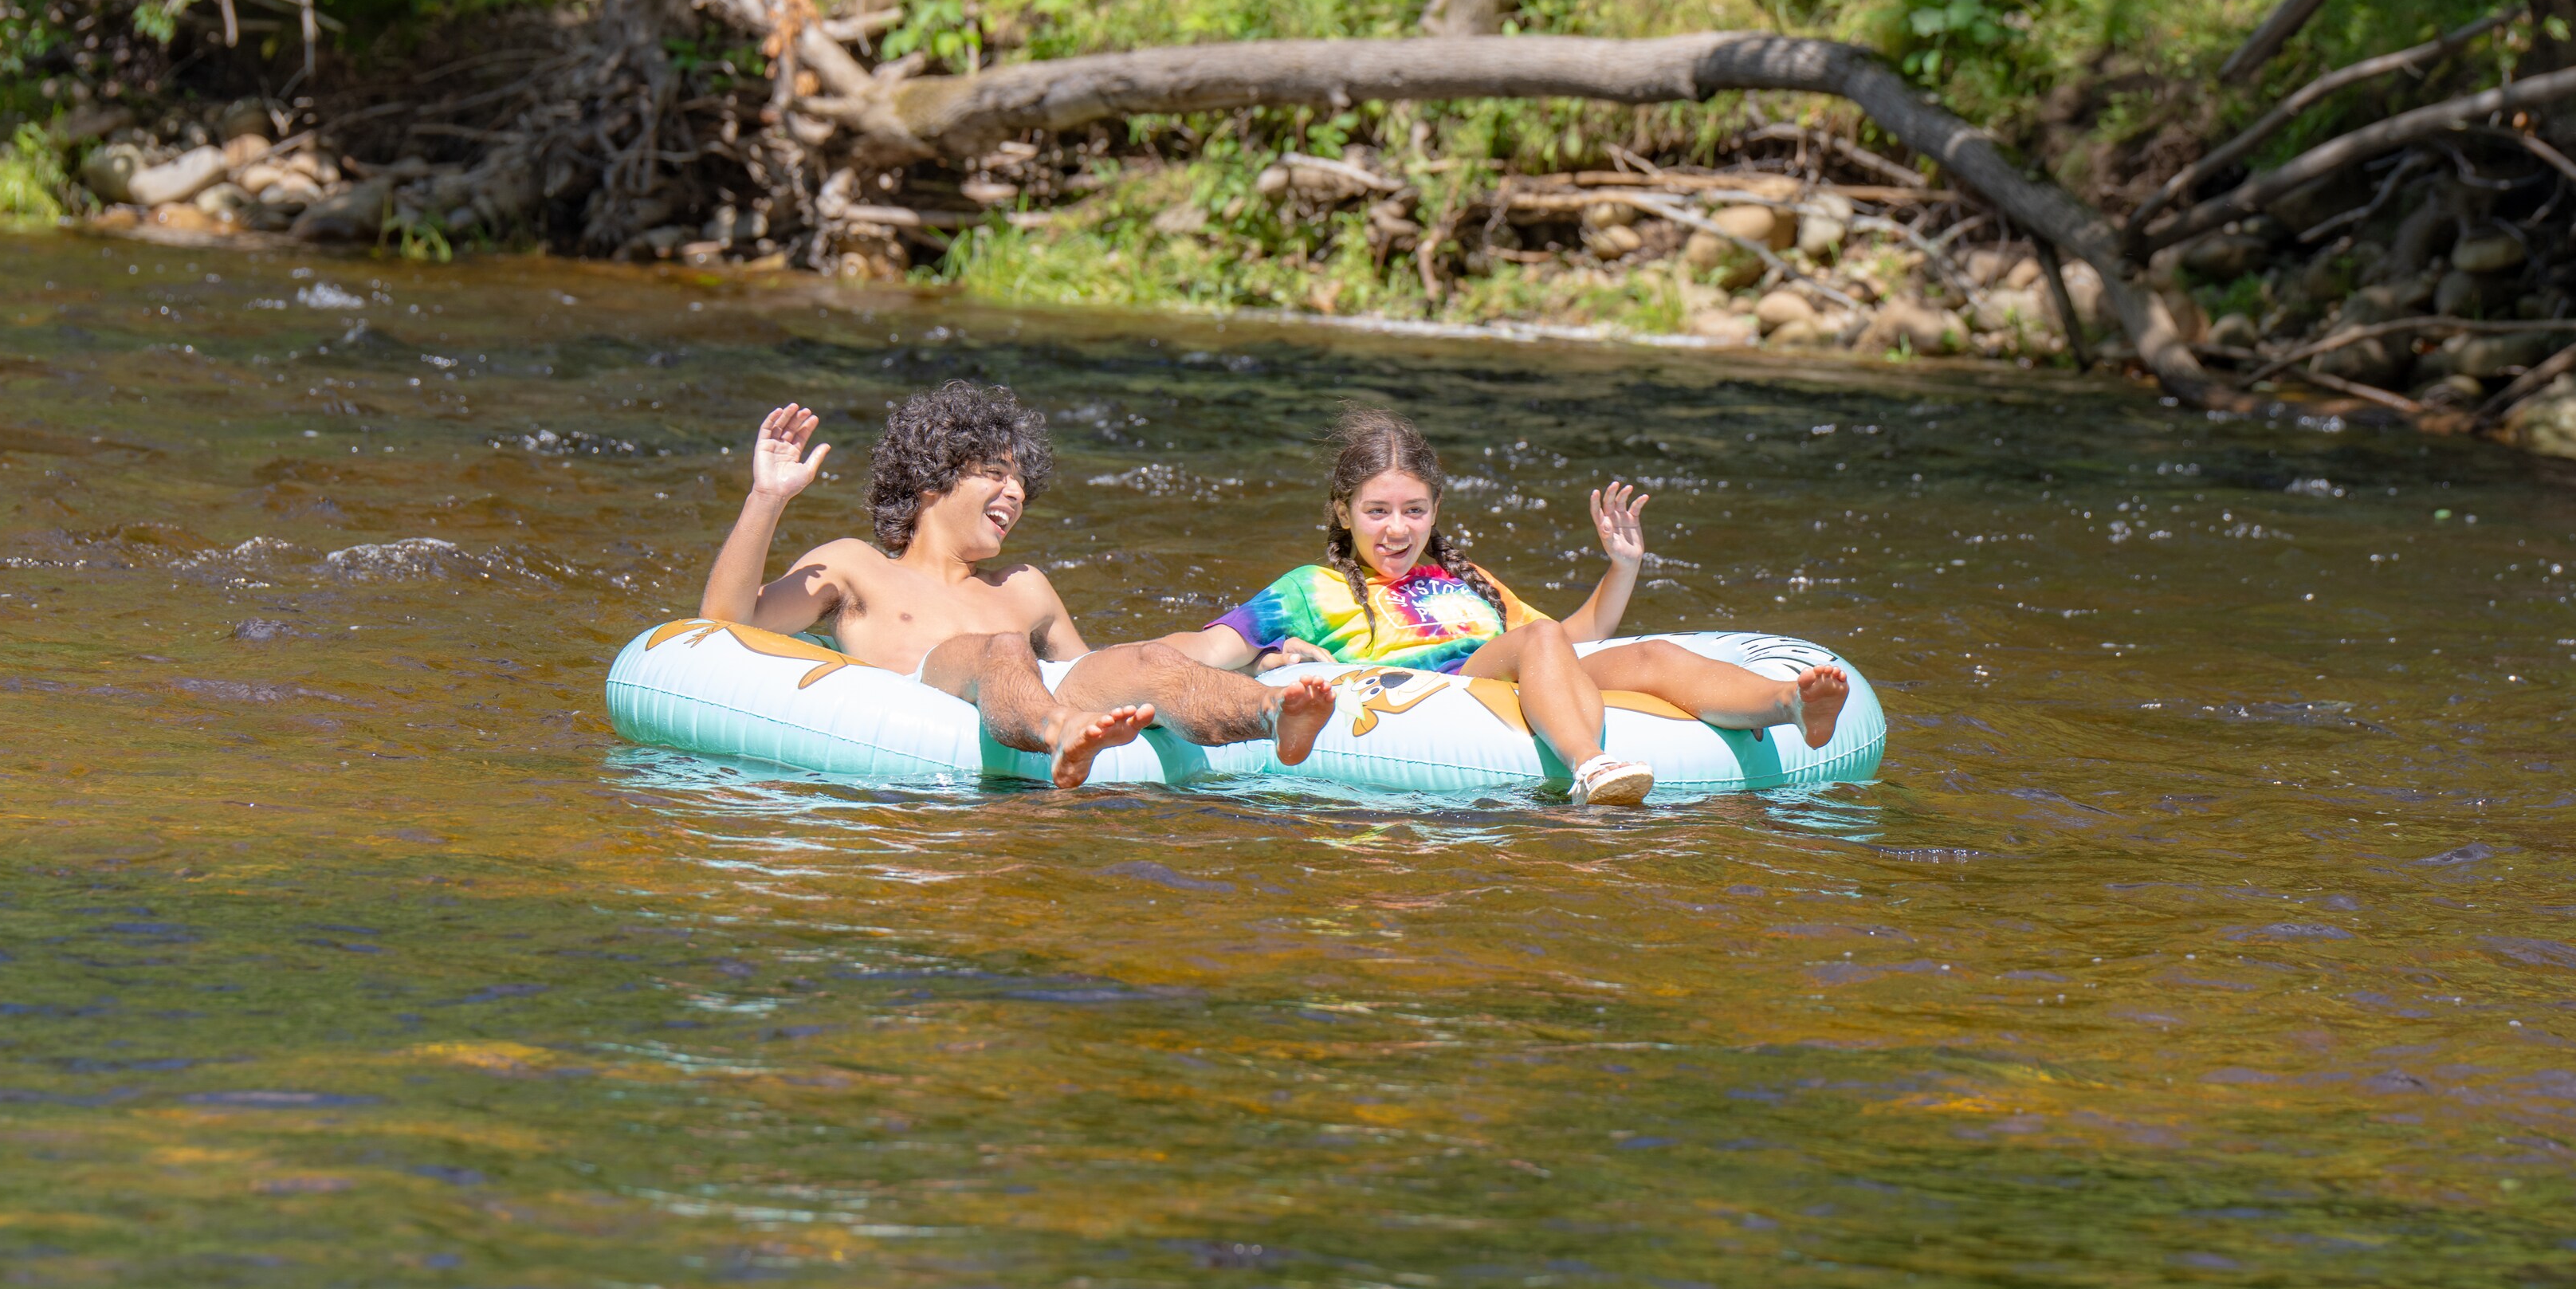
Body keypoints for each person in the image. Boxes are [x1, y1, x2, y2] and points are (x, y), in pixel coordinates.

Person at [1176, 406, 1849, 806]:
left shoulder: (1466, 578)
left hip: (1510, 674)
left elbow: (1573, 642)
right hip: (1436, 698)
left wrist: (1622, 568)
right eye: (1376, 511)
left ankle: (1791, 705)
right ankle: (1591, 764)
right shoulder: (1307, 589)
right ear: (1344, 513)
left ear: (1436, 510)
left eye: (1414, 510)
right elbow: (1211, 652)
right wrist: (1267, 656)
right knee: (1537, 639)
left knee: (1652, 654)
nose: (1397, 529)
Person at [697, 383, 1334, 788]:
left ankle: (1274, 714)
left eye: (1022, 481)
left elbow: (1102, 670)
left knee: (1149, 659)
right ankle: (1060, 735)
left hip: (1036, 696)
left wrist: (1260, 657)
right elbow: (725, 625)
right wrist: (767, 496)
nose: (1018, 492)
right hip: (926, 710)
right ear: (930, 480)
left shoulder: (1024, 587)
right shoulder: (857, 566)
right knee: (998, 647)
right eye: (996, 474)